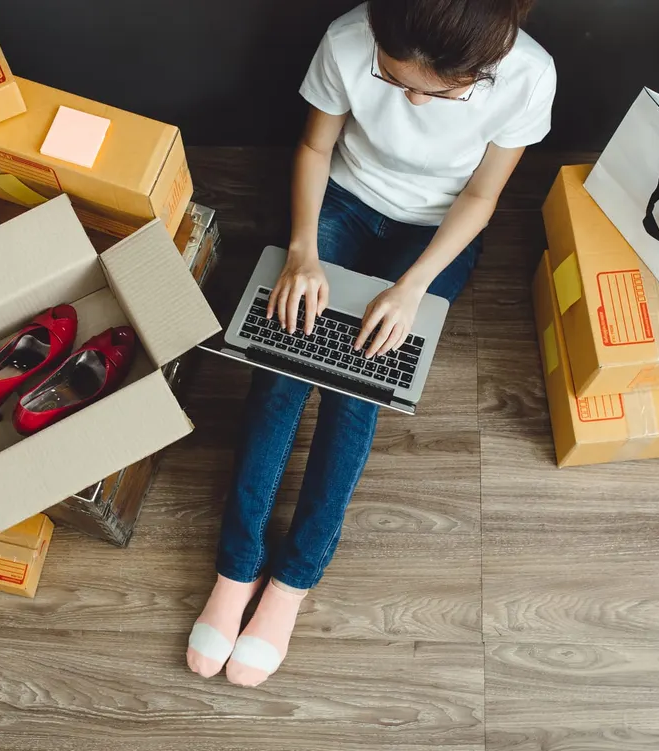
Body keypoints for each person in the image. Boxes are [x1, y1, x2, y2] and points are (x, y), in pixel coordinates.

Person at [187, 0, 556, 686]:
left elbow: (480, 198)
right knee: (281, 365)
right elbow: (315, 147)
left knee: (357, 387)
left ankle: (292, 581)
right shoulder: (351, 40)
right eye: (395, 83)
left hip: (434, 232)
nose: (411, 102)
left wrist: (413, 286)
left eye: (434, 93)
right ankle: (236, 567)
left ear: (480, 70)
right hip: (344, 202)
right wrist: (302, 251)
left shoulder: (530, 76)